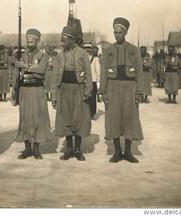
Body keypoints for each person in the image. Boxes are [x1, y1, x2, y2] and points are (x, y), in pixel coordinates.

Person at [99, 17, 144, 163]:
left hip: (130, 88)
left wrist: (139, 92)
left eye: (120, 32)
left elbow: (139, 73)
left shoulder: (134, 50)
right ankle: (117, 151)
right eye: (115, 33)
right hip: (113, 88)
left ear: (125, 33)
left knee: (130, 118)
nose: (117, 35)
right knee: (114, 118)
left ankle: (128, 152)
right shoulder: (108, 51)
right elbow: (104, 72)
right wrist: (103, 91)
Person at [51, 25, 92, 161]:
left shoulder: (83, 53)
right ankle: (69, 149)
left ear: (72, 40)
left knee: (78, 119)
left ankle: (78, 149)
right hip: (63, 90)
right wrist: (54, 95)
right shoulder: (59, 55)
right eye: (61, 40)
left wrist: (88, 90)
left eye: (64, 40)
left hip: (78, 90)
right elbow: (54, 77)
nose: (62, 43)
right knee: (66, 118)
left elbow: (88, 74)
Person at [14, 28, 53, 160]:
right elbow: (17, 75)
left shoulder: (43, 56)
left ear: (37, 41)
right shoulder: (22, 56)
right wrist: (15, 91)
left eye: (32, 40)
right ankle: (27, 149)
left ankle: (36, 149)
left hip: (37, 90)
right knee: (25, 118)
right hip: (24, 90)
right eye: (28, 40)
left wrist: (25, 66)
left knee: (37, 118)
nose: (29, 42)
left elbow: (41, 70)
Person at [84, 43, 100, 120]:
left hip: (93, 81)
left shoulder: (95, 59)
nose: (87, 50)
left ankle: (92, 113)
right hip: (84, 81)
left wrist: (98, 81)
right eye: (86, 48)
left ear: (91, 50)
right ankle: (86, 113)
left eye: (88, 48)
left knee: (93, 98)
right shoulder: (82, 59)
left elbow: (98, 70)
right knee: (85, 98)